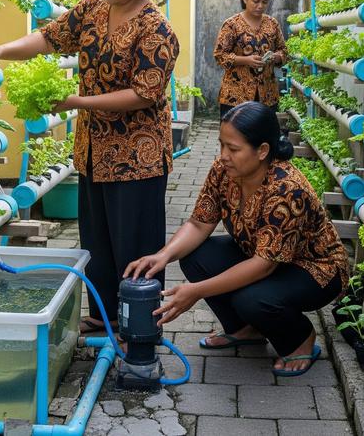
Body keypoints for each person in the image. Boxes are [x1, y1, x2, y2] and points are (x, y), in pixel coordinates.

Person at [0, 0, 179, 335]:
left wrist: (75, 103)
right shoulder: (93, 8)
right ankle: (103, 316)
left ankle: (140, 327)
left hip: (137, 157)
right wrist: (0, 50)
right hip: (93, 151)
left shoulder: (157, 30)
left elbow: (143, 94)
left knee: (136, 247)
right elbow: (48, 38)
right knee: (97, 243)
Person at [124, 101, 349, 376]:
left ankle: (299, 340)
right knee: (195, 258)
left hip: (315, 270)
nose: (223, 156)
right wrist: (163, 255)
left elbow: (263, 266)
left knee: (252, 298)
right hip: (260, 255)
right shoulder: (223, 170)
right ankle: (246, 329)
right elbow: (198, 224)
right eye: (222, 145)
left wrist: (195, 292)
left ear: (263, 151)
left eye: (233, 149)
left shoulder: (286, 190)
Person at [213, 0, 286, 118]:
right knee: (236, 137)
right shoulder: (231, 25)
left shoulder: (272, 24)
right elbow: (220, 55)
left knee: (263, 137)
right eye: (256, 1)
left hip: (267, 94)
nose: (260, 6)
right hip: (236, 95)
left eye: (265, 2)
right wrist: (246, 60)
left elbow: (283, 50)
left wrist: (275, 57)